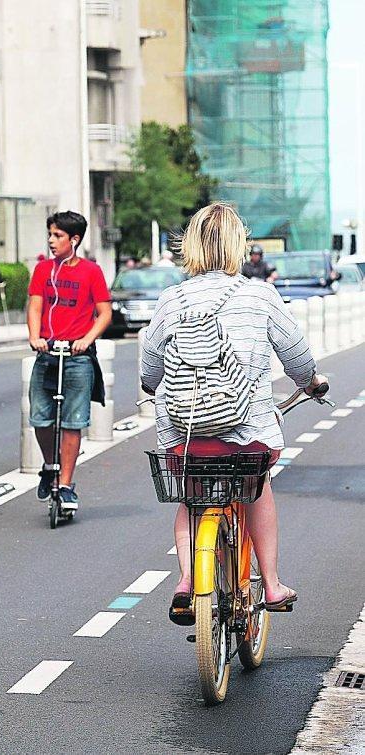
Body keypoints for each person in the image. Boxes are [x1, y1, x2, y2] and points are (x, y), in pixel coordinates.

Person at [140, 203, 327, 619]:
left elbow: (150, 368)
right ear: (238, 245)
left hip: (186, 438)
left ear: (190, 246)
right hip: (249, 435)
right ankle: (273, 586)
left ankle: (188, 581)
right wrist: (310, 383)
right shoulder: (260, 295)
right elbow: (296, 355)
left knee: (190, 500)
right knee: (257, 488)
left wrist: (152, 387)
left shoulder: (172, 298)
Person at [27, 210, 112, 511]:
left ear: (74, 240)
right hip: (46, 353)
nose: (51, 241)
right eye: (50, 235)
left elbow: (104, 313)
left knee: (73, 422)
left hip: (78, 358)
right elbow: (36, 306)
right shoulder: (42, 270)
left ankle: (65, 484)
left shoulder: (91, 272)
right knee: (40, 417)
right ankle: (50, 465)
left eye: (58, 236)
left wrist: (86, 340)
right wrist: (35, 337)